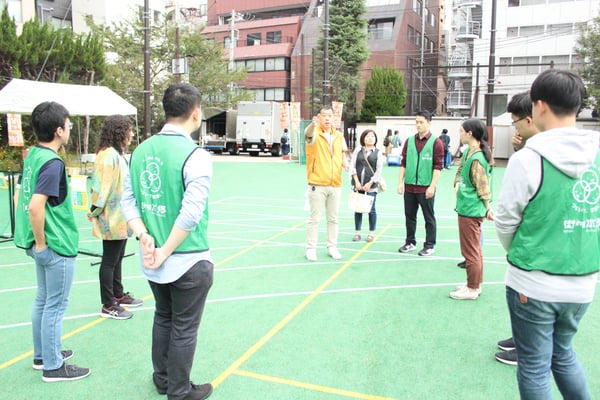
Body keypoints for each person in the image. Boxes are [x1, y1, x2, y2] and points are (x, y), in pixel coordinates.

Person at [494, 69, 599, 399]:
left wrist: (518, 251)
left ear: (539, 106)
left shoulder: (528, 159)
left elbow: (506, 222)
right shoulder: (596, 155)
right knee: (563, 354)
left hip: (533, 281)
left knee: (534, 366)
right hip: (583, 282)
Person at [121, 83, 214, 400]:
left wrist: (143, 234)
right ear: (196, 112)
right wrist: (165, 251)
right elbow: (190, 215)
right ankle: (179, 390)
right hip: (187, 258)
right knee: (184, 327)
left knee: (164, 316)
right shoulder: (195, 155)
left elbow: (128, 201)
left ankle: (163, 379)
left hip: (152, 258)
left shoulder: (140, 151)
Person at [14, 101, 91, 382]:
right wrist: (42, 244)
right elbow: (35, 206)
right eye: (68, 125)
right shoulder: (52, 163)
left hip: (38, 241)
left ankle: (43, 355)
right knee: (55, 305)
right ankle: (53, 366)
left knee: (44, 299)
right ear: (59, 130)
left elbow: (19, 196)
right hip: (55, 243)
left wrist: (34, 242)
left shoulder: (33, 155)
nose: (69, 129)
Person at [494, 91, 540, 367]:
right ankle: (522, 339)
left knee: (529, 298)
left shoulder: (540, 156)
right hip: (535, 245)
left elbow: (508, 214)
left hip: (535, 246)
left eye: (516, 122)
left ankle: (526, 348)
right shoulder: (529, 151)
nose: (515, 128)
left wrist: (513, 247)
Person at [88, 115, 142, 320]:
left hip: (121, 216)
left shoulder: (115, 154)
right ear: (120, 132)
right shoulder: (107, 155)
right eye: (129, 130)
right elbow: (101, 187)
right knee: (109, 260)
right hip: (111, 217)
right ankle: (108, 304)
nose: (132, 134)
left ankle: (118, 294)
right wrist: (94, 210)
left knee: (117, 257)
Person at [449, 118, 494, 300]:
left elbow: (483, 187)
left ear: (470, 133)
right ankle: (474, 284)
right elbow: (460, 171)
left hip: (471, 209)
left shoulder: (477, 159)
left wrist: (488, 208)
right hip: (466, 206)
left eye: (461, 131)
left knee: (471, 251)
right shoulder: (468, 152)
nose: (459, 134)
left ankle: (472, 288)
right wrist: (456, 184)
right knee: (474, 249)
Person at [397, 110, 444, 256]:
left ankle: (429, 245)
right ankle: (410, 242)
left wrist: (432, 186)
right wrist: (400, 182)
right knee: (409, 217)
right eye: (416, 122)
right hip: (410, 186)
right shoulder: (409, 141)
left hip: (425, 188)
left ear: (429, 123)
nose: (418, 125)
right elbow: (403, 163)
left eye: (421, 122)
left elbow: (438, 167)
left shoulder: (436, 142)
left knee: (429, 217)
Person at [304, 105, 349, 261]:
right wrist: (313, 125)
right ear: (319, 117)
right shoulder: (314, 133)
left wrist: (347, 166)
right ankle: (311, 248)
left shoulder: (339, 136)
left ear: (334, 117)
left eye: (330, 115)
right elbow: (308, 134)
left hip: (335, 183)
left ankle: (332, 246)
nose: (327, 118)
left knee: (333, 219)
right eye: (324, 115)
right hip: (317, 183)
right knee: (314, 218)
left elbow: (342, 155)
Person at [350, 129, 384, 243]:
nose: (370, 138)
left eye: (372, 136)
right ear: (363, 138)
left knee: (372, 210)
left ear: (375, 139)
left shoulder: (378, 152)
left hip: (371, 186)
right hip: (358, 185)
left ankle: (371, 234)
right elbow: (352, 166)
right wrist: (357, 182)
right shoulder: (357, 150)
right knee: (358, 209)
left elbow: (379, 170)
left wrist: (370, 183)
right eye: (368, 136)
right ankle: (357, 233)